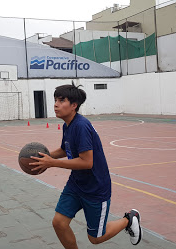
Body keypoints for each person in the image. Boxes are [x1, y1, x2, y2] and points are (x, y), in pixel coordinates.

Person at [30, 83, 142, 248]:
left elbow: (87, 162)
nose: (55, 104)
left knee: (96, 238)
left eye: (61, 100)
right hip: (76, 184)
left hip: (95, 187)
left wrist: (52, 163)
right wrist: (45, 156)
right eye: (55, 100)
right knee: (59, 223)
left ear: (74, 105)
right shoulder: (67, 125)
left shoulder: (81, 126)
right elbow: (64, 149)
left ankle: (129, 219)